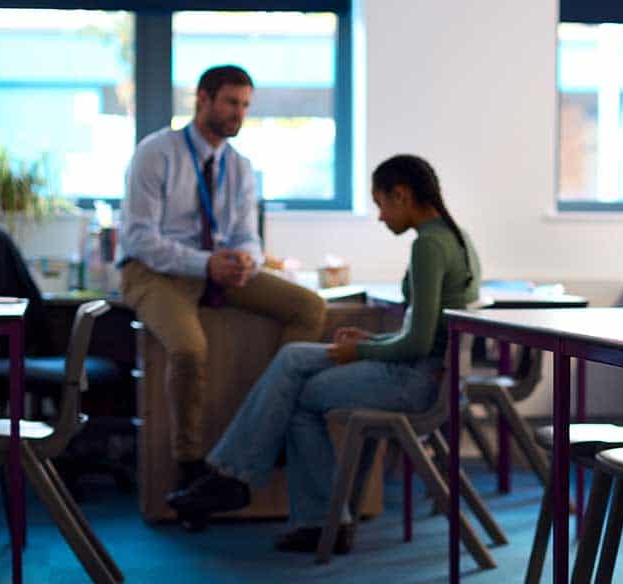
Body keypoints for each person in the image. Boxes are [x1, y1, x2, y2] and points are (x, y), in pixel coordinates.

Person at [167, 154, 481, 552]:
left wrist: (361, 350)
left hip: (414, 382)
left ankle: (273, 497)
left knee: (297, 394)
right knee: (295, 356)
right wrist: (369, 342)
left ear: (401, 196)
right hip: (425, 373)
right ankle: (237, 478)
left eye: (380, 203)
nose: (381, 217)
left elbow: (418, 344)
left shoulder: (428, 247)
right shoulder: (457, 238)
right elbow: (425, 335)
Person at [120, 65, 327, 530]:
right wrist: (205, 264)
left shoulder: (239, 167)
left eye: (246, 105)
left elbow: (244, 235)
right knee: (189, 350)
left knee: (309, 307)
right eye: (232, 102)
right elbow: (138, 239)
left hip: (218, 269)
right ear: (203, 99)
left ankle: (269, 432)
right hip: (156, 271)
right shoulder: (157, 153)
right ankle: (190, 468)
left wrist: (247, 259)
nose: (240, 114)